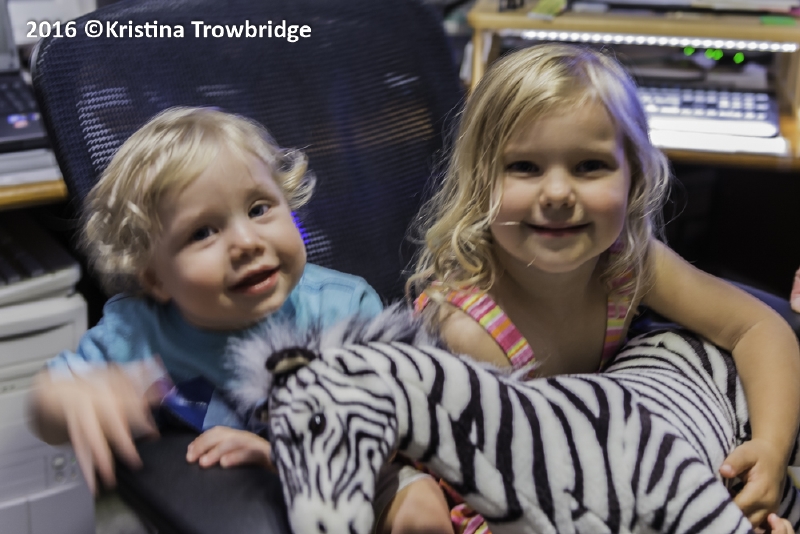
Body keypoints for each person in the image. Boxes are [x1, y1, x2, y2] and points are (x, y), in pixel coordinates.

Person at [408, 43, 800, 532]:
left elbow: (756, 328)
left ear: (634, 175)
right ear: (479, 180)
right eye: (524, 167)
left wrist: (769, 450)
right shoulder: (468, 331)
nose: (557, 193)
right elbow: (524, 501)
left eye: (589, 166)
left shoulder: (626, 261)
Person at [29, 107, 452, 534]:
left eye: (259, 209)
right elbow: (48, 402)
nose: (247, 242)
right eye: (203, 232)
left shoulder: (342, 308)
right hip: (229, 499)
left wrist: (279, 459)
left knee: (420, 509)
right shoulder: (141, 331)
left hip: (344, 473)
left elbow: (392, 428)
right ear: (156, 279)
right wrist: (76, 396)